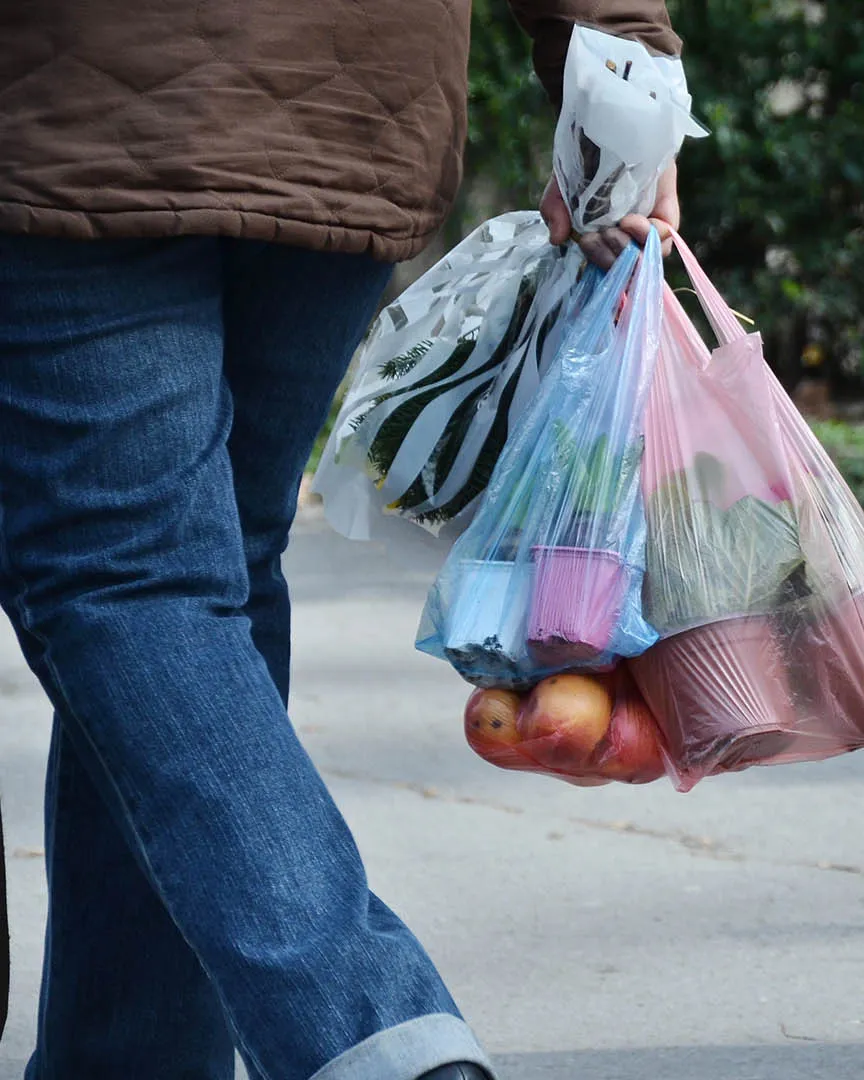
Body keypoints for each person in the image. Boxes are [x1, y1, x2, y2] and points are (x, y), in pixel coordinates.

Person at [0, 2, 680, 1076]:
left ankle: (368, 1028)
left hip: (65, 111)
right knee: (198, 587)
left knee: (131, 587)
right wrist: (624, 66)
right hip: (350, 100)